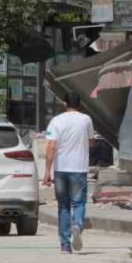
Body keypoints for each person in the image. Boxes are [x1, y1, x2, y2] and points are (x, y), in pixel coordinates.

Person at [43, 93, 94, 254]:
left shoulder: (56, 121)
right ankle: (77, 225)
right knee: (79, 203)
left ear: (65, 104)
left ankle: (65, 245)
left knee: (63, 206)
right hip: (79, 168)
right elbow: (91, 142)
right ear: (79, 104)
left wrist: (47, 171)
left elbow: (51, 146)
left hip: (61, 170)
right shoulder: (86, 120)